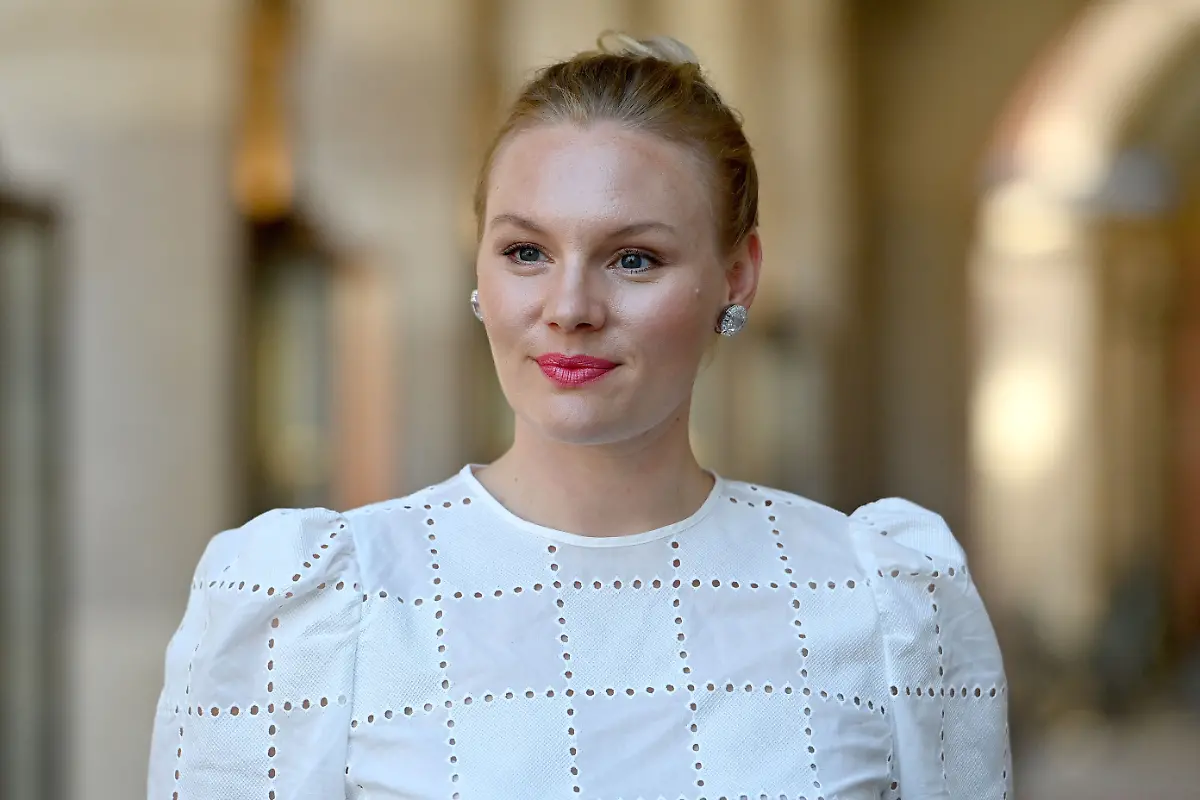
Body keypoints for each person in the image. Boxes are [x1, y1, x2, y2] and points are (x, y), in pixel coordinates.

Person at [147, 32, 1010, 799]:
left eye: (633, 259)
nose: (569, 306)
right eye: (526, 252)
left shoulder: (885, 602)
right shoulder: (315, 606)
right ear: (480, 268)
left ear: (737, 276)